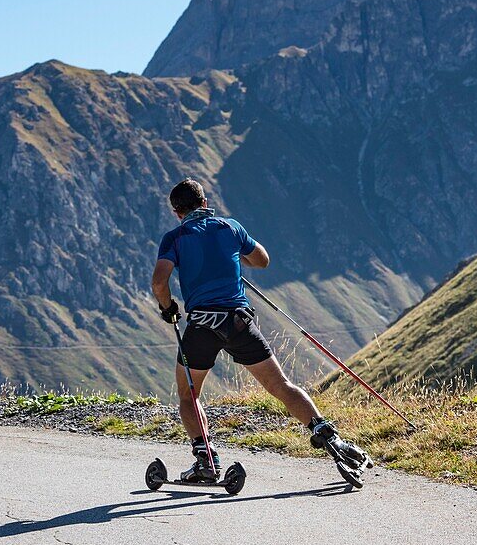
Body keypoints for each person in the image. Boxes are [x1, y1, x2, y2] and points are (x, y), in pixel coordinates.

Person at [151, 178, 369, 482]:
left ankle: (205, 460)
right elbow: (262, 260)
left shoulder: (174, 238)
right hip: (239, 322)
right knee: (281, 386)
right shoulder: (230, 227)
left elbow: (159, 282)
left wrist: (168, 308)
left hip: (202, 326)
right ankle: (329, 435)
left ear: (177, 213)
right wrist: (230, 259)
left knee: (189, 396)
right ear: (205, 202)